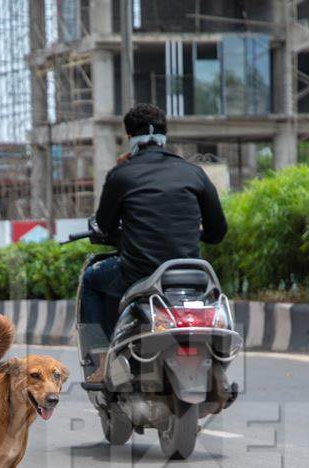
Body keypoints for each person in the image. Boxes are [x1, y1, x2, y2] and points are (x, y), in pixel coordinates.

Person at [80, 103, 228, 379]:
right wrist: (195, 233)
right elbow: (218, 231)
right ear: (165, 135)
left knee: (90, 279)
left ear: (129, 137)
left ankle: (101, 364)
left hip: (139, 276)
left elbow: (106, 226)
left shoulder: (122, 175)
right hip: (191, 277)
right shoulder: (193, 172)